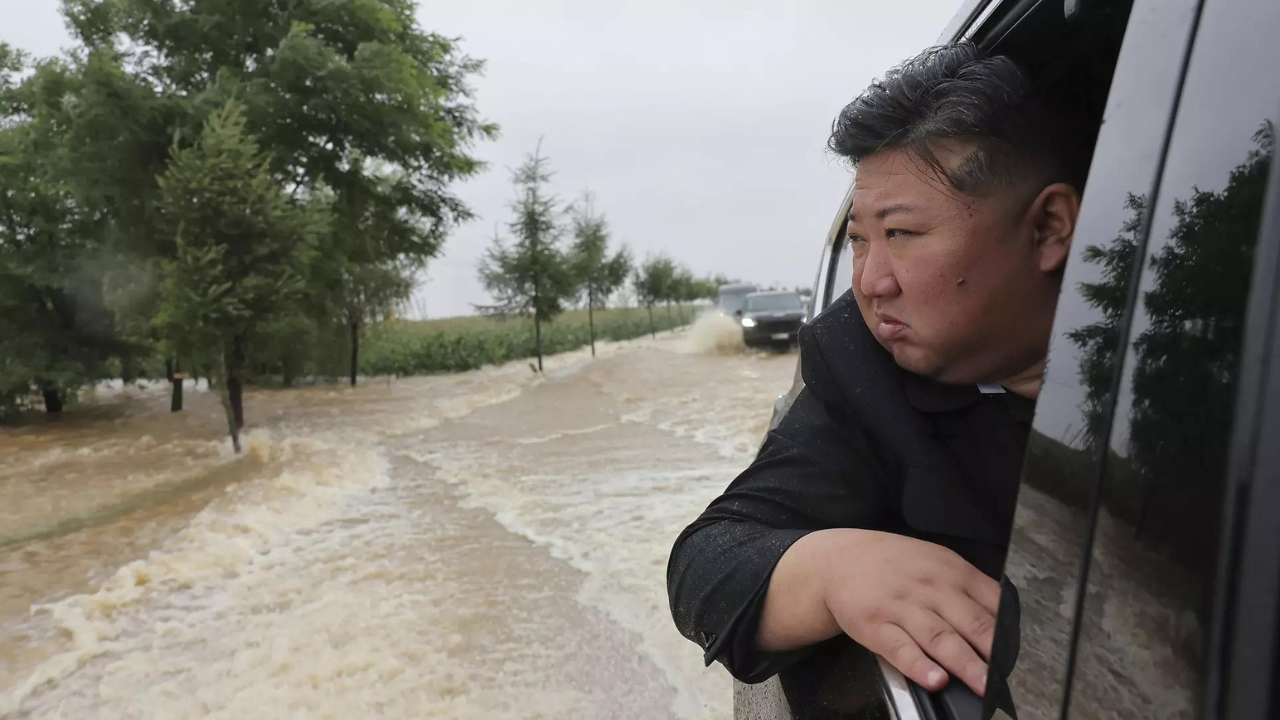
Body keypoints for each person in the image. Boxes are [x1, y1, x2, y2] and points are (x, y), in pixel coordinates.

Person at [667, 42, 1094, 705]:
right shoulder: (858, 361)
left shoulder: (1191, 367)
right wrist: (831, 569)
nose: (869, 282)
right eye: (860, 240)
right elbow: (706, 566)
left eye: (901, 235)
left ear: (1047, 230)